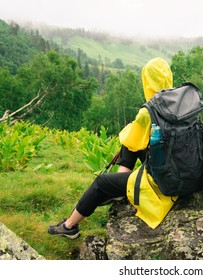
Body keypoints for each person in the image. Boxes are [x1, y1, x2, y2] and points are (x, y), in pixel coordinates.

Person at [48, 58, 174, 239]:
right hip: (175, 168)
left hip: (160, 180)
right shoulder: (178, 104)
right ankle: (120, 190)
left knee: (101, 182)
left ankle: (69, 226)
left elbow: (129, 138)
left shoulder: (149, 111)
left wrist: (133, 128)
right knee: (133, 137)